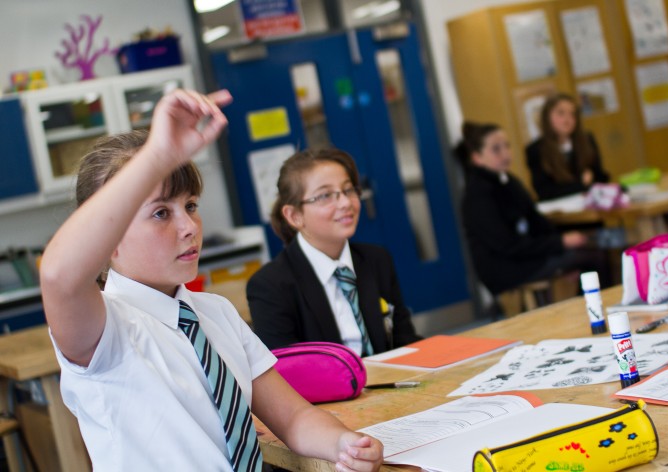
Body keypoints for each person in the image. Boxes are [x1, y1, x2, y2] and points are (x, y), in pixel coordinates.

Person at [40, 89, 383, 471]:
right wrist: (156, 155)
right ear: (111, 236)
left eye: (190, 206)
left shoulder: (215, 313)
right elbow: (58, 276)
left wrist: (344, 443)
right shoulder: (107, 331)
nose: (189, 226)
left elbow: (294, 418)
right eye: (160, 213)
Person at [247, 148, 421, 355]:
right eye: (325, 195)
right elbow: (289, 368)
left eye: (348, 190)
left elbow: (405, 341)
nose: (346, 203)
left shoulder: (376, 260)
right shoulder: (270, 285)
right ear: (294, 216)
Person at [455, 121, 609, 298]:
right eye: (496, 149)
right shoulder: (477, 195)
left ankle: (585, 305)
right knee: (593, 258)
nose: (505, 153)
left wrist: (561, 246)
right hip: (506, 267)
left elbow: (536, 221)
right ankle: (591, 308)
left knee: (587, 252)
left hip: (526, 257)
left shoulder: (508, 181)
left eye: (507, 146)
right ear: (477, 157)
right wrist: (560, 244)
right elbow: (508, 246)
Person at [526, 93, 610, 201]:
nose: (567, 119)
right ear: (547, 117)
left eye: (572, 114)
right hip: (559, 209)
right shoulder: (535, 150)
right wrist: (581, 184)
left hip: (590, 204)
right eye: (561, 113)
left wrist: (588, 182)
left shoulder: (587, 140)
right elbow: (545, 192)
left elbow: (601, 177)